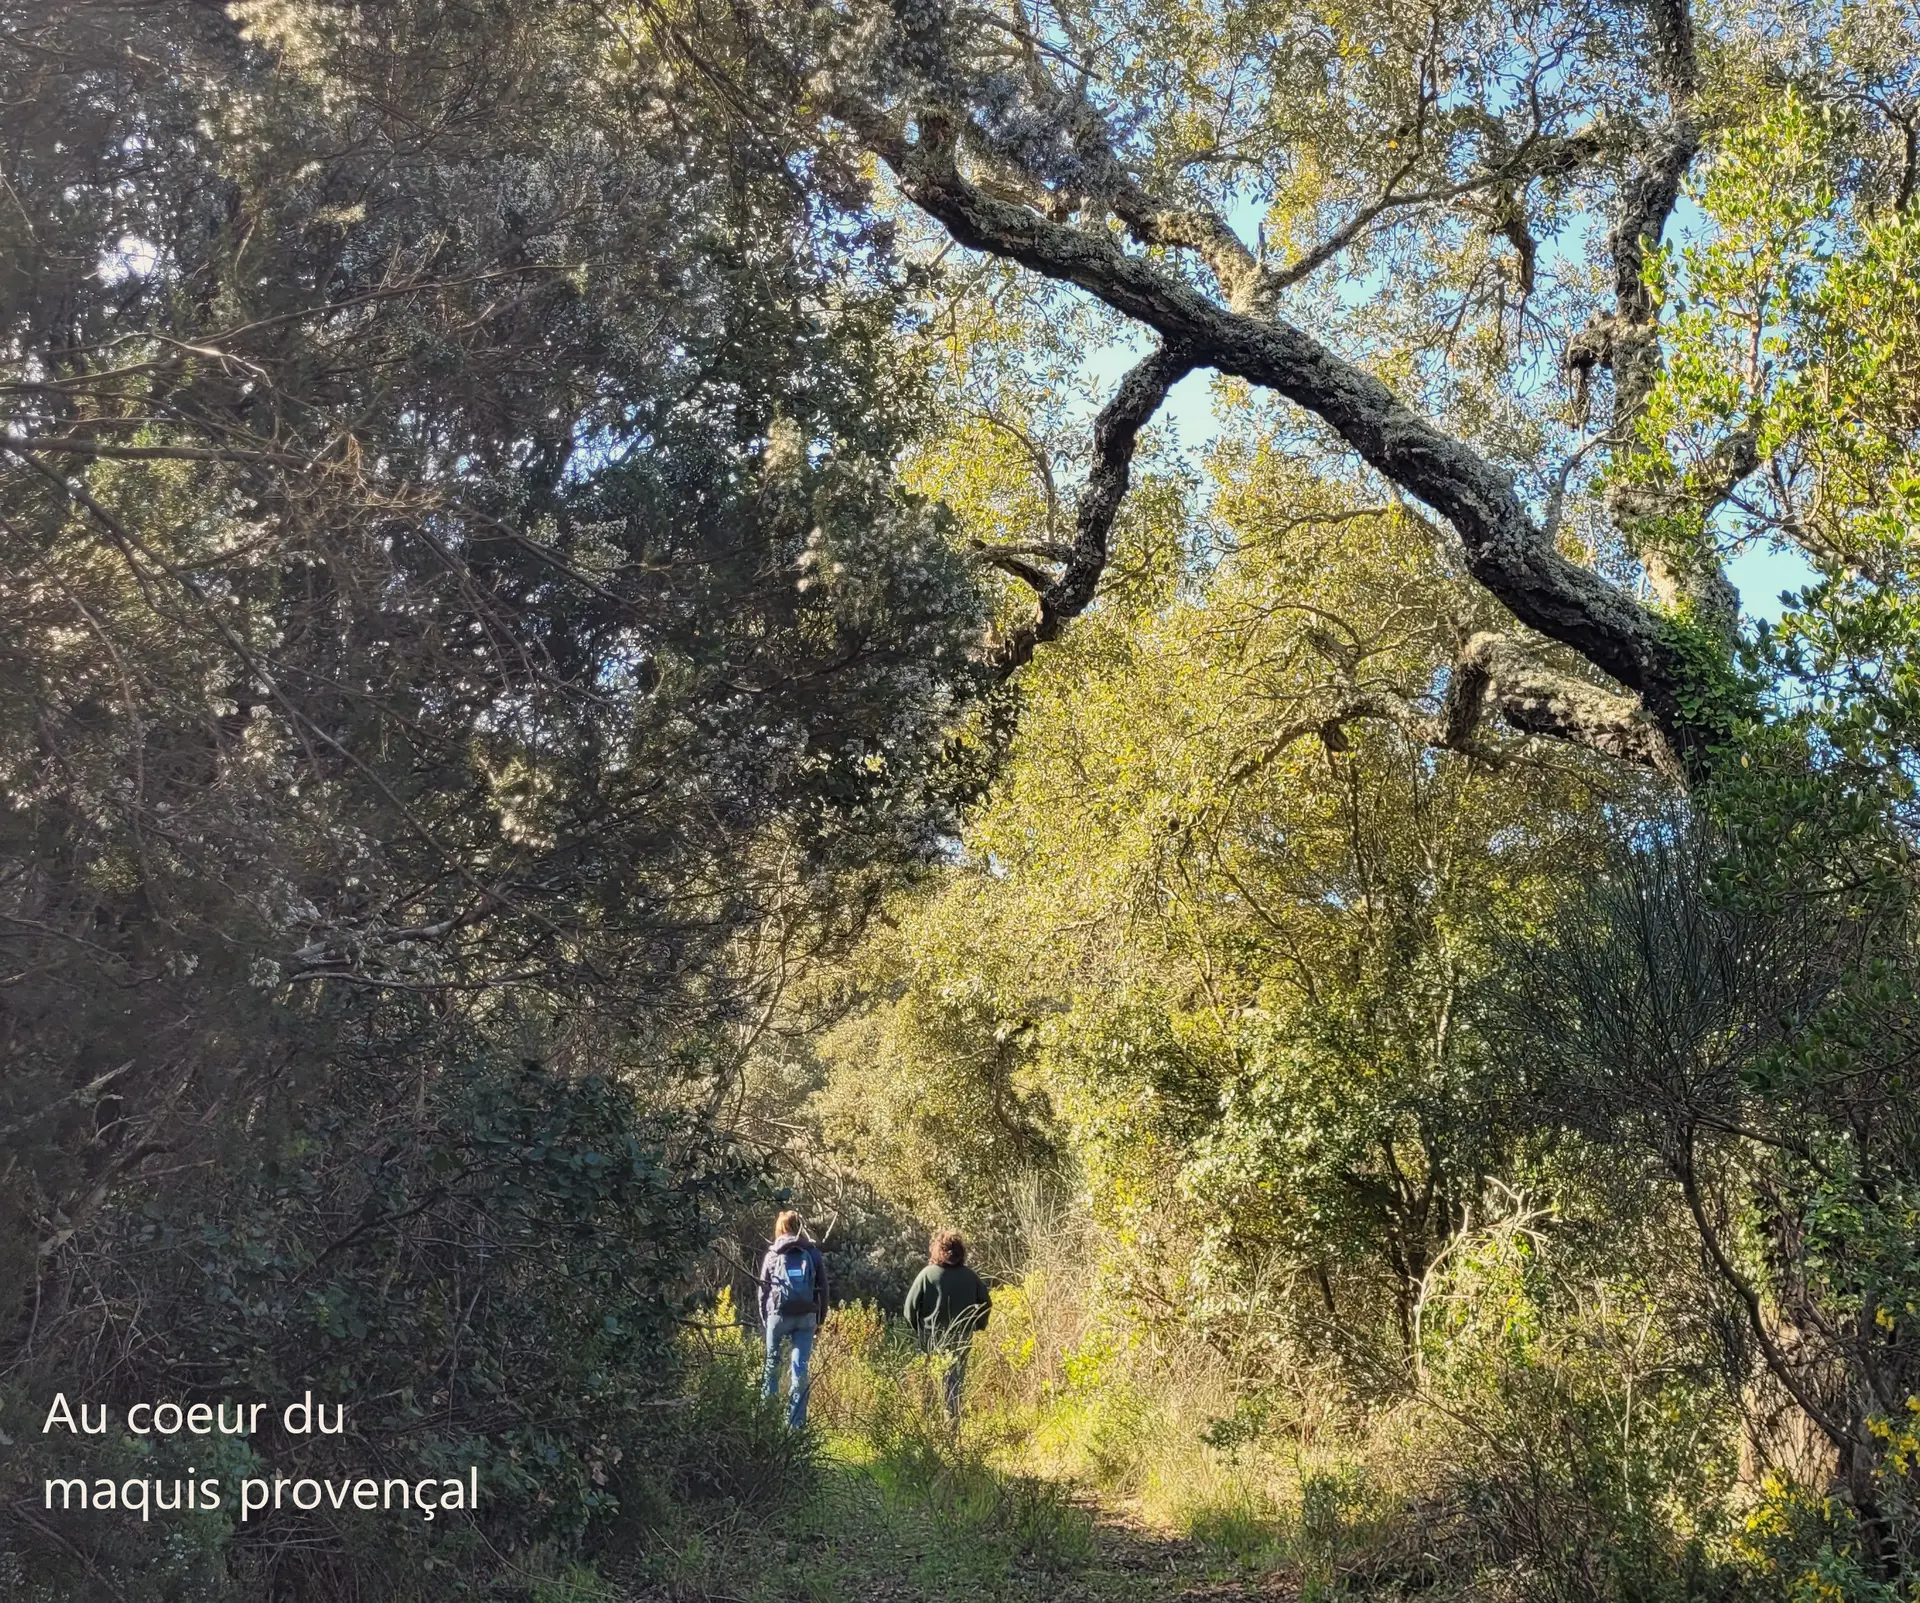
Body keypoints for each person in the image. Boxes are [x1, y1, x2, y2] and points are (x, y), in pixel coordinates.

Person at [903, 1229, 992, 1421]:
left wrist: (918, 1330)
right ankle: (951, 1423)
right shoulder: (970, 1276)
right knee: (954, 1380)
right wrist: (977, 1325)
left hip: (932, 1336)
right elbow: (986, 1303)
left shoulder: (928, 1275)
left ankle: (928, 1422)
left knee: (930, 1380)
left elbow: (909, 1308)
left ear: (937, 1251)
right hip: (962, 1336)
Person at [757, 1209, 829, 1429]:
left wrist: (765, 1317)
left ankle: (768, 1423)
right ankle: (796, 1426)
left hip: (778, 1315)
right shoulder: (812, 1252)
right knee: (800, 1369)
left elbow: (763, 1290)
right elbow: (823, 1288)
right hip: (806, 1317)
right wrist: (820, 1318)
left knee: (772, 1366)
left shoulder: (773, 1253)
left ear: (780, 1228)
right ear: (799, 1227)